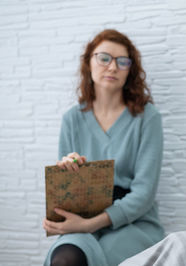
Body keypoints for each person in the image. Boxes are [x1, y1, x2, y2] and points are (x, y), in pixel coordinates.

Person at [43, 29, 165, 266]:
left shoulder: (147, 118)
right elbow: (64, 191)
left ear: (130, 70)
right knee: (65, 258)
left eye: (122, 62)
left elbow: (144, 194)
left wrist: (90, 225)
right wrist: (65, 181)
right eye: (104, 58)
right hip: (83, 216)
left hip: (134, 221)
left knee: (102, 258)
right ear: (89, 61)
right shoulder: (72, 119)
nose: (112, 67)